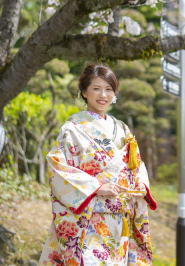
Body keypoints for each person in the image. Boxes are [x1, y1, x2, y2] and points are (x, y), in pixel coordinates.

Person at [40, 63, 156, 266]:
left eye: (109, 89)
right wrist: (96, 188)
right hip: (90, 218)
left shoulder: (122, 129)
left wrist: (140, 185)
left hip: (121, 220)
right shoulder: (73, 128)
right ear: (84, 92)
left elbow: (136, 165)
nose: (103, 95)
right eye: (96, 88)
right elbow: (58, 166)